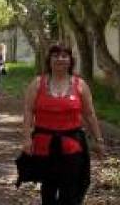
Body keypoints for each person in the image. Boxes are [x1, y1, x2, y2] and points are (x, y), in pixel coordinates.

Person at [21, 43, 105, 205]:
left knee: (73, 188)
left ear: (70, 60)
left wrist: (98, 140)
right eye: (55, 55)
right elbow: (28, 110)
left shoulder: (80, 85)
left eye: (64, 56)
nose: (60, 59)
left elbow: (89, 114)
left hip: (72, 144)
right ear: (49, 60)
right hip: (44, 144)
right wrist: (26, 138)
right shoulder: (37, 83)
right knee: (49, 188)